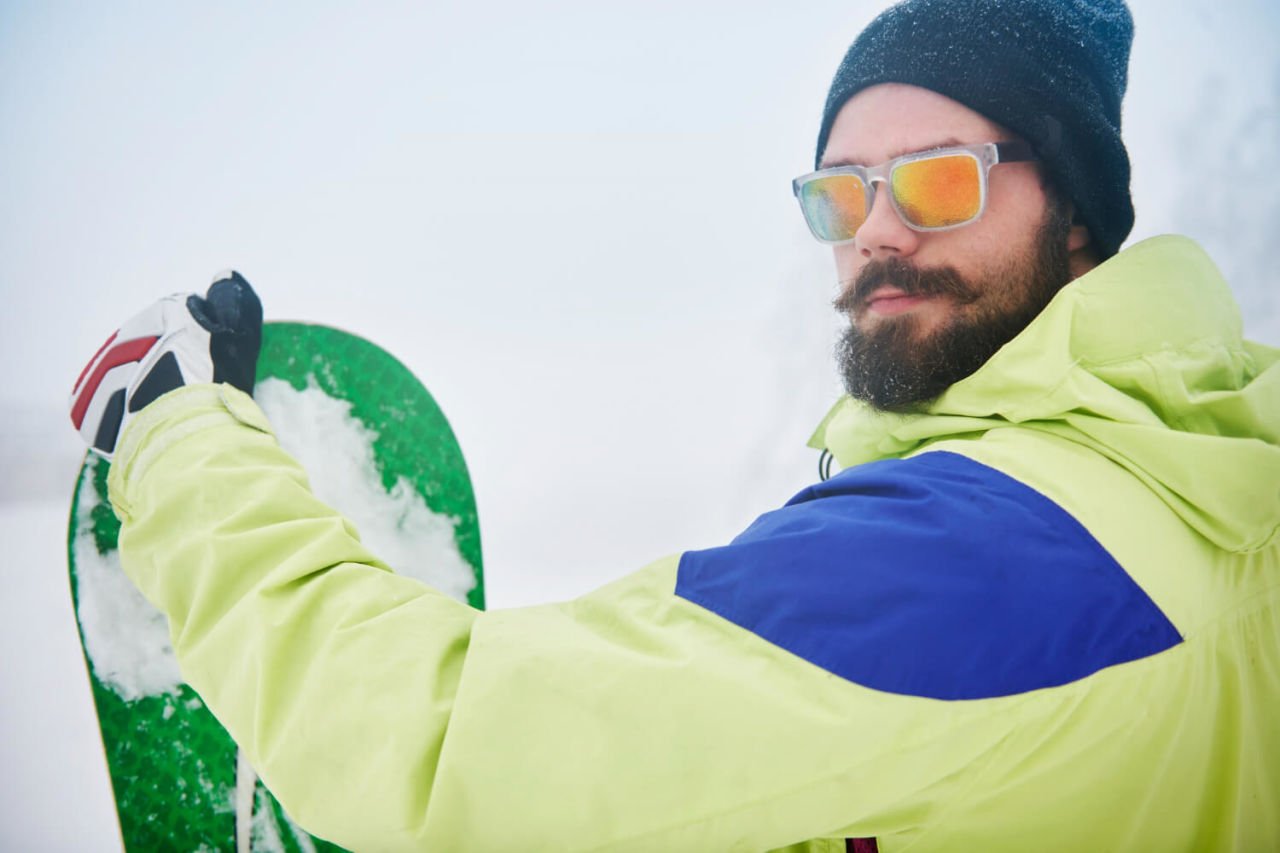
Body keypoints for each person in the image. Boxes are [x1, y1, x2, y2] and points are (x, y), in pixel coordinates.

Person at [69, 0, 1279, 850]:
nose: (877, 230)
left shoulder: (971, 557)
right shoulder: (1219, 466)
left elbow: (432, 743)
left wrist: (179, 440)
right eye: (841, 190)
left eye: (939, 177)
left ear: (1076, 212)